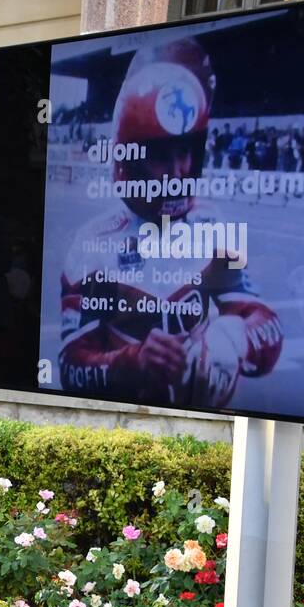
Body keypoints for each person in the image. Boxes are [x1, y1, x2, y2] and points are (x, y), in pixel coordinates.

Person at [58, 38, 283, 411]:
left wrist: (235, 341)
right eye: (161, 155)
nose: (177, 170)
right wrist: (134, 362)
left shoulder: (210, 223)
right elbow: (70, 366)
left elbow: (262, 319)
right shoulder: (90, 244)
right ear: (129, 158)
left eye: (184, 151)